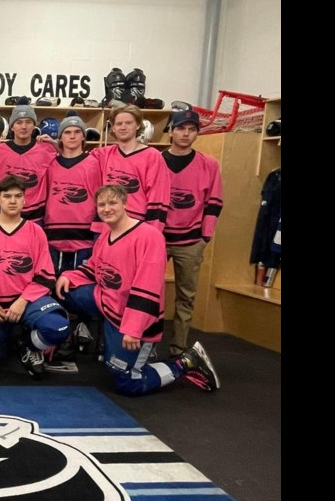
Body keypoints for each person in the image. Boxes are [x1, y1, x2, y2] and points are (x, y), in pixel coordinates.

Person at [55, 185, 221, 395]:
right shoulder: (106, 235)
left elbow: (147, 287)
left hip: (133, 319)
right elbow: (95, 268)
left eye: (113, 203)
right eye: (102, 204)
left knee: (127, 383)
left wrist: (133, 329)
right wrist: (68, 275)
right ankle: (103, 337)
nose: (107, 209)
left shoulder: (149, 237)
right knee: (64, 292)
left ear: (125, 203)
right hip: (108, 303)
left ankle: (185, 362)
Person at [0, 175, 70, 379]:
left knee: (59, 327)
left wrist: (22, 301)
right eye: (7, 196)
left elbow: (46, 276)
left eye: (17, 196)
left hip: (27, 302)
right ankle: (8, 337)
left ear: (25, 200)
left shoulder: (36, 231)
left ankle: (28, 345)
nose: (12, 201)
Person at [42, 112, 104, 372]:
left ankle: (81, 334)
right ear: (61, 136)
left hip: (82, 236)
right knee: (54, 288)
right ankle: (60, 339)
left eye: (77, 132)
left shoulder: (93, 164)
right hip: (54, 235)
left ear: (83, 136)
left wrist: (98, 234)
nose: (72, 136)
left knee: (79, 289)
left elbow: (99, 198)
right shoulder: (51, 164)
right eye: (67, 132)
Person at [161, 109, 223, 357]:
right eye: (180, 128)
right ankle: (146, 345)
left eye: (191, 129)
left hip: (190, 240)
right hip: (159, 237)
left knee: (185, 297)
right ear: (171, 131)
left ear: (197, 132)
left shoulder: (209, 164)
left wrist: (204, 236)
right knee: (149, 294)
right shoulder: (156, 159)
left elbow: (215, 201)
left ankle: (178, 349)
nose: (186, 134)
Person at [91, 104, 170, 233]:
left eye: (128, 123)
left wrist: (153, 231)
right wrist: (54, 146)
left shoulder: (152, 156)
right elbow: (75, 160)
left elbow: (158, 196)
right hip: (105, 226)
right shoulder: (103, 154)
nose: (123, 127)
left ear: (138, 125)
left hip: (135, 226)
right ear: (114, 127)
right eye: (119, 123)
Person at [0, 102, 57, 223]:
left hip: (35, 217)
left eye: (28, 122)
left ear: (34, 125)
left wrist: (56, 144)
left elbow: (70, 156)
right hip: (5, 215)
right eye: (19, 122)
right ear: (12, 126)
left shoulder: (46, 150)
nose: (24, 126)